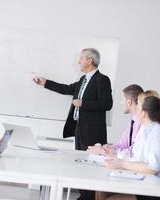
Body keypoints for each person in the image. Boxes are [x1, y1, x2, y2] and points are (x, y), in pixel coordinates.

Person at [34, 48, 113, 200]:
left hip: (93, 131)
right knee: (82, 164)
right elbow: (67, 89)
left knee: (92, 165)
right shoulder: (83, 80)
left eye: (81, 59)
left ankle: (89, 197)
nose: (79, 62)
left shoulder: (102, 79)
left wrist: (84, 103)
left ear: (89, 60)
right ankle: (85, 196)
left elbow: (107, 104)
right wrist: (45, 83)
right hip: (79, 129)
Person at [97, 95, 160, 200]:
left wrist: (122, 163)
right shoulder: (147, 129)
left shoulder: (157, 131)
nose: (135, 112)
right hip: (152, 181)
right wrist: (117, 160)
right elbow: (138, 157)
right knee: (102, 190)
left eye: (137, 108)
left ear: (143, 113)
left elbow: (152, 168)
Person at [88, 84, 144, 157]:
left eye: (122, 99)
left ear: (129, 102)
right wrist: (105, 148)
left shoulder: (142, 123)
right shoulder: (133, 122)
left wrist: (103, 151)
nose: (121, 103)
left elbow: (133, 152)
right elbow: (122, 144)